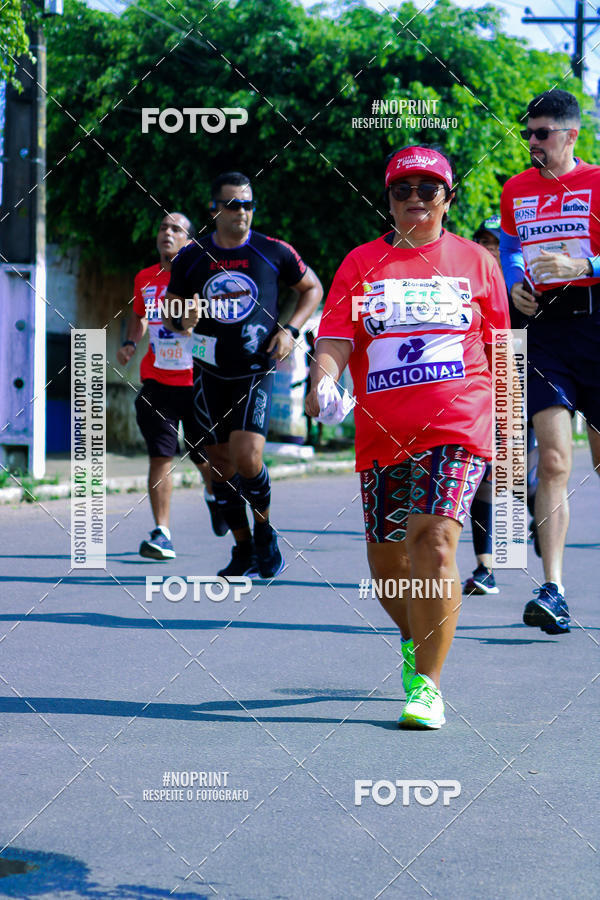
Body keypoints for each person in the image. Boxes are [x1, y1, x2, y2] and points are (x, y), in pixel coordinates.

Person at [307, 145, 510, 729]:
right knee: (389, 567)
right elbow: (337, 340)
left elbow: (500, 351)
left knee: (436, 543)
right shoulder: (360, 265)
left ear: (448, 197)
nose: (416, 199)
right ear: (388, 199)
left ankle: (428, 686)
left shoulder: (477, 263)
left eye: (429, 189)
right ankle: (417, 639)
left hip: (457, 421)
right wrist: (322, 381)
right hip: (382, 431)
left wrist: (506, 432)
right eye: (403, 190)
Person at [162, 172, 323, 578]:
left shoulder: (273, 250)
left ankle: (265, 533)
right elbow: (172, 310)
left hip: (256, 368)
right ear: (214, 209)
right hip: (210, 371)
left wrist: (291, 329)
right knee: (219, 466)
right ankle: (243, 547)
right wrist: (184, 319)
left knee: (248, 457)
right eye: (234, 205)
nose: (243, 213)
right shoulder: (192, 256)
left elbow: (312, 289)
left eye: (249, 204)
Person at [500, 89, 600, 635]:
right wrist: (515, 281)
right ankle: (554, 588)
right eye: (528, 133)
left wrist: (583, 261)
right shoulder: (515, 189)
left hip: (597, 321)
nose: (533, 143)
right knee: (555, 461)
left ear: (571, 135)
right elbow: (511, 246)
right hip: (545, 333)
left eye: (542, 133)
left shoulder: (598, 181)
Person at [117, 212, 227, 561]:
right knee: (161, 455)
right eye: (163, 226)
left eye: (176, 229)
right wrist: (131, 343)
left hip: (197, 383)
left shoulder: (204, 276)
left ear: (190, 241)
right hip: (157, 382)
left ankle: (214, 495)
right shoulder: (145, 279)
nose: (167, 232)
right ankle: (162, 532)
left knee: (204, 457)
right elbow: (139, 314)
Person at [463, 216, 539, 595]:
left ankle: (540, 513)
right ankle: (485, 569)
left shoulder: (522, 287)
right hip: (477, 390)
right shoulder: (468, 281)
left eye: (497, 243)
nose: (489, 248)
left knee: (516, 479)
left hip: (516, 383)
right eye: (483, 240)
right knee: (484, 480)